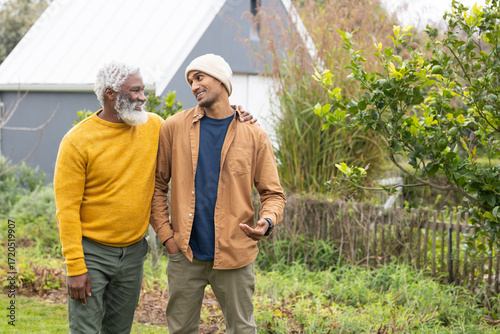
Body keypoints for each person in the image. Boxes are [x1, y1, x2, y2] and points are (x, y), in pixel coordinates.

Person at [54, 60, 255, 334]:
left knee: (118, 330)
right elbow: (66, 210)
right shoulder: (77, 141)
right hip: (92, 253)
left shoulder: (154, 127)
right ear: (111, 94)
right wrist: (75, 266)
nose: (143, 97)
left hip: (133, 254)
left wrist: (236, 113)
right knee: (85, 330)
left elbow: (198, 124)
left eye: (143, 90)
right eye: (135, 91)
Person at [151, 54, 286, 333]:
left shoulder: (254, 135)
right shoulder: (173, 127)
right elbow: (157, 186)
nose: (193, 86)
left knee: (242, 329)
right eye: (190, 81)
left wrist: (268, 221)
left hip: (235, 254)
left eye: (199, 78)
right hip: (185, 254)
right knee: (180, 330)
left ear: (221, 80)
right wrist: (167, 237)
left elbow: (273, 193)